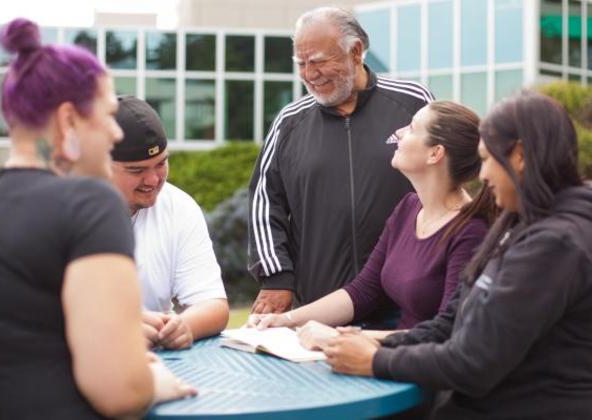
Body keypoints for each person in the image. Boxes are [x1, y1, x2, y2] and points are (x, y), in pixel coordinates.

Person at [322, 91, 592, 419]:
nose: (483, 175)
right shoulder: (519, 224)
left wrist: (375, 361)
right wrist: (373, 345)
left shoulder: (556, 244)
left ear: (519, 156)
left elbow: (475, 362)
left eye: (488, 159)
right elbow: (450, 322)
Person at [0, 18, 194, 419]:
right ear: (68, 121)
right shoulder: (91, 204)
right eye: (106, 115)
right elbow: (119, 391)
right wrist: (153, 383)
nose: (115, 134)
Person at [248, 101, 494, 345]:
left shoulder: (471, 232)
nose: (399, 132)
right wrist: (284, 320)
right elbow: (363, 291)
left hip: (424, 372)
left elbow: (447, 333)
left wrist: (340, 337)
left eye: (412, 128)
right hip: (392, 362)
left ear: (435, 153)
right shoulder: (408, 208)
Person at [248, 6, 434, 316]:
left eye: (319, 61)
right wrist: (276, 277)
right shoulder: (289, 122)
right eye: (301, 64)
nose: (309, 74)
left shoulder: (414, 102)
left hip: (405, 306)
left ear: (356, 52)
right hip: (318, 307)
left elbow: (447, 182)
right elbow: (265, 203)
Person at [111, 96, 229, 350]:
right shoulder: (61, 212)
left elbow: (213, 305)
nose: (153, 180)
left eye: (162, 163)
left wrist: (184, 326)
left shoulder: (179, 208)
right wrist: (114, 330)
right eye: (137, 170)